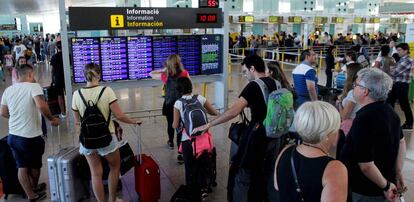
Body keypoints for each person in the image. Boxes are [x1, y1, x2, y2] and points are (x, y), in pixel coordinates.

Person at [193, 54, 279, 202]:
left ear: (252, 68)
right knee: (270, 174)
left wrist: (209, 124)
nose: (245, 75)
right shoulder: (276, 83)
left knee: (242, 174)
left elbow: (233, 111)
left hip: (258, 137)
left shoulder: (254, 85)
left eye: (245, 71)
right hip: (276, 136)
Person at [72, 63, 142, 202]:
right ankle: (112, 199)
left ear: (85, 75)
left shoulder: (76, 94)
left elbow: (77, 122)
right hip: (106, 138)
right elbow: (119, 115)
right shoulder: (106, 91)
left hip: (87, 141)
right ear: (99, 74)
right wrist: (134, 121)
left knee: (95, 174)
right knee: (115, 167)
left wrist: (81, 138)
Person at [340, 68, 406, 202]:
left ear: (365, 91)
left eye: (356, 85)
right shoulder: (390, 111)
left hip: (366, 190)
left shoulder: (364, 119)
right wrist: (398, 172)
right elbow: (401, 142)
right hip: (385, 179)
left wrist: (386, 186)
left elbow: (366, 166)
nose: (354, 88)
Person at [0, 64, 60, 201]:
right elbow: (41, 105)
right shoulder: (34, 86)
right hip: (30, 136)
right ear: (30, 75)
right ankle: (33, 191)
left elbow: (3, 112)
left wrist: (16, 117)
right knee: (35, 165)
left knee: (21, 165)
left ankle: (30, 193)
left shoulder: (8, 90)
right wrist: (51, 119)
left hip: (13, 136)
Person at [275, 101, 348, 202]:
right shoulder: (334, 169)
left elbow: (278, 186)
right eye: (336, 129)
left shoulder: (285, 151)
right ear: (326, 134)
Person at [172, 77, 219, 197]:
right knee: (203, 164)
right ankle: (204, 188)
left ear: (178, 89)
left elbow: (175, 125)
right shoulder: (200, 98)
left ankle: (192, 191)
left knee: (190, 167)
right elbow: (214, 112)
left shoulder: (178, 103)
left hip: (188, 140)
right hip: (203, 139)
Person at [150, 54, 190, 160]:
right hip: (181, 104)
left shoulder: (165, 75)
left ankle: (171, 142)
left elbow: (151, 74)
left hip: (169, 104)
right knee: (180, 127)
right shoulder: (185, 73)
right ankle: (180, 152)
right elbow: (190, 87)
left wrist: (163, 69)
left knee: (170, 124)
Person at [386, 43, 414, 129]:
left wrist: (391, 70)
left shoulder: (408, 60)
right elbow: (394, 69)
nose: (398, 52)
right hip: (397, 83)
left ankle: (409, 123)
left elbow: (394, 72)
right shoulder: (402, 59)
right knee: (389, 102)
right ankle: (389, 120)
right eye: (397, 50)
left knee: (404, 104)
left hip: (402, 84)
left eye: (399, 50)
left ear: (406, 50)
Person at [336, 63, 363, 135]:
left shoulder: (353, 93)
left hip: (349, 128)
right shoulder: (361, 89)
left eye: (345, 72)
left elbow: (344, 116)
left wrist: (339, 103)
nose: (344, 74)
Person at [50, 41, 66, 118]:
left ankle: (63, 113)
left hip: (58, 78)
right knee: (70, 93)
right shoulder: (67, 55)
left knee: (60, 95)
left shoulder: (54, 56)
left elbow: (52, 70)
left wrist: (52, 80)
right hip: (66, 78)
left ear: (57, 47)